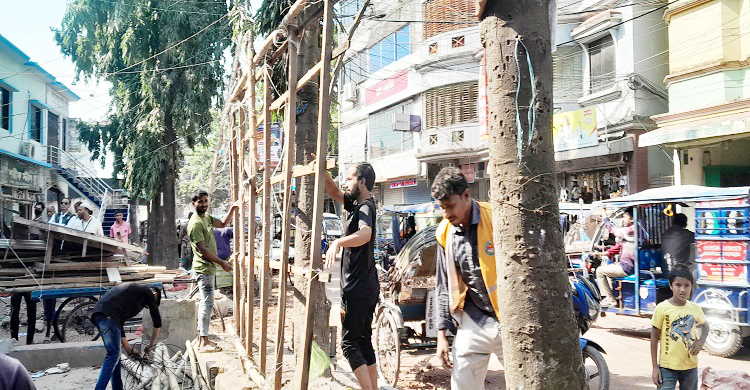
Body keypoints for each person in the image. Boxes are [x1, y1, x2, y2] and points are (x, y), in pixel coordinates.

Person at [432, 167, 503, 389]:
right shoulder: (445, 232)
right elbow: (444, 286)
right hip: (475, 318)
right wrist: (441, 335)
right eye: (442, 208)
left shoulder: (496, 219)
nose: (446, 214)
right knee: (462, 384)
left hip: (509, 320)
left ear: (466, 195)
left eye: (450, 206)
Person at [322, 162, 378, 390]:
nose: (345, 182)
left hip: (356, 288)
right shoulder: (355, 203)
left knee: (348, 344)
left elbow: (366, 234)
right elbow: (333, 191)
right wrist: (322, 169)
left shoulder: (365, 207)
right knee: (363, 341)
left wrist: (338, 241)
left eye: (350, 178)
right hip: (368, 285)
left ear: (362, 181)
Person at [188, 190, 237, 352]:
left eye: (205, 201)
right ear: (193, 203)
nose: (203, 204)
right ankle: (204, 340)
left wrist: (232, 209)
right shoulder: (196, 224)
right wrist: (222, 262)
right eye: (200, 202)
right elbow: (203, 250)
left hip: (208, 267)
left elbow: (222, 224)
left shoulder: (206, 217)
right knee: (207, 303)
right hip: (203, 268)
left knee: (206, 302)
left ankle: (202, 339)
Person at [91, 283, 162, 390]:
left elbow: (119, 325)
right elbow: (157, 322)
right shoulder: (148, 292)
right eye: (148, 305)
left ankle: (118, 388)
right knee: (113, 354)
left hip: (100, 315)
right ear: (155, 295)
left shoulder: (130, 295)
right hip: (108, 316)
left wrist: (129, 350)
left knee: (115, 354)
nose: (145, 307)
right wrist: (150, 346)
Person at [650, 267, 708, 390]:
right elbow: (654, 337)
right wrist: (655, 367)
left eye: (687, 285)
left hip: (690, 366)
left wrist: (700, 341)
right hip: (667, 367)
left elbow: (705, 326)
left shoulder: (695, 308)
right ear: (671, 286)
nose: (682, 289)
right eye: (678, 285)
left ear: (692, 286)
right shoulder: (662, 308)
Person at [596, 207, 636, 307]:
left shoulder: (631, 230)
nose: (623, 219)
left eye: (624, 217)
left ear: (632, 219)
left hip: (627, 267)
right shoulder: (640, 230)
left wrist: (604, 216)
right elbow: (620, 246)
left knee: (600, 271)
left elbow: (612, 229)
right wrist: (603, 253)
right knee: (609, 270)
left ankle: (610, 299)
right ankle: (613, 296)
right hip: (635, 265)